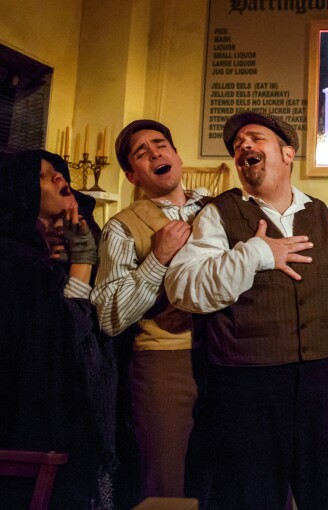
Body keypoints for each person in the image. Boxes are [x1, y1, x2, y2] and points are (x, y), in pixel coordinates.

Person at [165, 111, 328, 509]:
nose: (244, 147)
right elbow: (183, 290)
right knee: (249, 499)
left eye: (255, 138)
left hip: (316, 380)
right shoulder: (218, 213)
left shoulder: (320, 212)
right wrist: (256, 253)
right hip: (245, 387)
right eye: (238, 144)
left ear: (288, 153)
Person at [91, 120, 208, 502]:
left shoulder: (215, 209)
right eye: (142, 153)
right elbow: (108, 317)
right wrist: (157, 258)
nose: (155, 152)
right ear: (132, 174)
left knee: (223, 480)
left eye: (161, 145)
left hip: (226, 358)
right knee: (166, 485)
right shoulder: (122, 227)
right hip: (165, 363)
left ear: (177, 155)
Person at [0, 149, 116, 509]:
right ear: (21, 193)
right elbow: (65, 334)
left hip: (82, 415)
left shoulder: (82, 238)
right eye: (41, 175)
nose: (58, 177)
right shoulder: (12, 260)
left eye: (58, 170)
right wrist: (82, 260)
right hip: (36, 427)